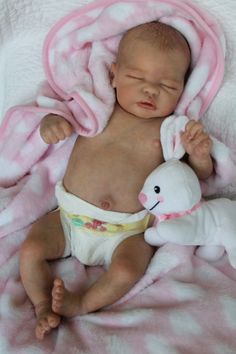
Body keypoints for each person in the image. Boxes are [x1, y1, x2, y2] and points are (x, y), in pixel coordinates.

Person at [19, 21, 213, 340]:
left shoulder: (170, 129)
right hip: (69, 218)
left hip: (125, 232)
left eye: (167, 85)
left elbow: (193, 179)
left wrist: (199, 154)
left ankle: (81, 303)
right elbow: (51, 118)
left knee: (127, 269)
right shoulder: (95, 109)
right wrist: (52, 124)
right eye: (137, 78)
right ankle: (42, 305)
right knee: (31, 250)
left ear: (183, 89)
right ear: (113, 75)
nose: (150, 90)